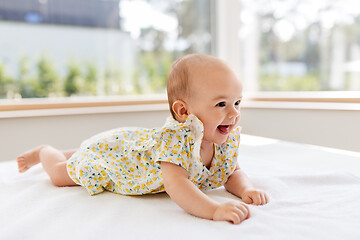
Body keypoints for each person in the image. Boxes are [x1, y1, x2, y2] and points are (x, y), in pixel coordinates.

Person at [17, 54, 269, 224]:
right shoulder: (177, 141)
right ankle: (45, 152)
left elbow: (231, 171)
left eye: (237, 102)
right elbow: (177, 185)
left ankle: (75, 150)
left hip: (138, 142)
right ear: (183, 112)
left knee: (93, 150)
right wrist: (213, 210)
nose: (234, 113)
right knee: (63, 174)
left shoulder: (222, 137)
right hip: (125, 158)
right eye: (221, 104)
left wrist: (245, 189)